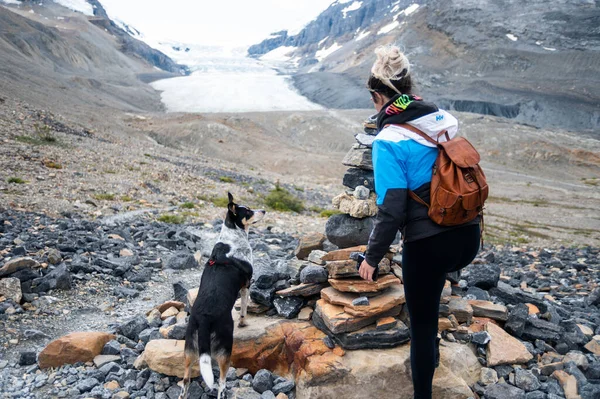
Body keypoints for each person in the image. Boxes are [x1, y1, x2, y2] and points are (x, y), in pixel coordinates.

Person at [357, 45, 481, 399]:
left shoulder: (388, 141)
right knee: (433, 286)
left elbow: (392, 210)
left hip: (430, 244)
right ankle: (436, 353)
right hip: (468, 237)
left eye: (372, 99)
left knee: (422, 327)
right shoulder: (439, 119)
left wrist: (371, 257)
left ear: (379, 96)